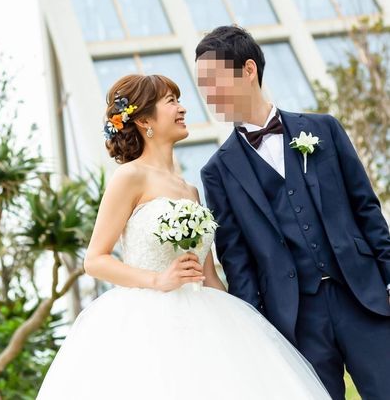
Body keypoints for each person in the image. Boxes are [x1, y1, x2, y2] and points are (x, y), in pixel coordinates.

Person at [37, 73, 331, 400]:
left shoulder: (190, 190)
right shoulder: (129, 177)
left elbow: (208, 275)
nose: (182, 108)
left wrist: (239, 327)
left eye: (178, 100)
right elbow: (95, 260)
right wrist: (157, 280)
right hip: (147, 322)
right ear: (144, 120)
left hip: (204, 313)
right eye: (171, 101)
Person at [196, 25, 390, 400]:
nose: (208, 94)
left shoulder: (324, 129)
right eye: (202, 86)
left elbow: (366, 208)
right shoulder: (216, 172)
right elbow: (237, 261)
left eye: (213, 80)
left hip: (363, 296)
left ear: (248, 70)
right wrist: (258, 331)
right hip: (295, 321)